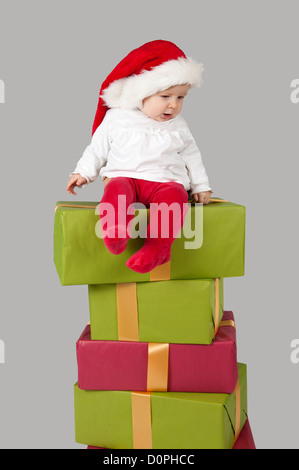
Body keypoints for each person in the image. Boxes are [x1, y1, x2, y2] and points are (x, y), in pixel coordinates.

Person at [66, 40, 212, 273]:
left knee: (175, 200)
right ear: (140, 93)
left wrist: (201, 185)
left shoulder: (179, 126)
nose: (173, 105)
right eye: (165, 96)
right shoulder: (117, 118)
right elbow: (97, 147)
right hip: (126, 177)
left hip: (166, 183)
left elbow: (192, 155)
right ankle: (114, 228)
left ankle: (159, 248)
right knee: (116, 190)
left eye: (180, 98)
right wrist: (83, 172)